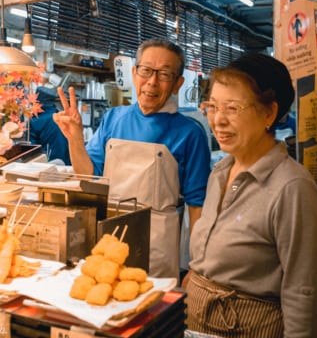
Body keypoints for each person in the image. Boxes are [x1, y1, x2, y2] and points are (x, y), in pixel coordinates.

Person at [184, 53, 317, 337]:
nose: (218, 120)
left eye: (233, 108)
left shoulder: (292, 189)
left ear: (269, 113)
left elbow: (305, 294)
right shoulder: (220, 172)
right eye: (212, 106)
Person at [53, 38, 211, 278]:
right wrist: (74, 138)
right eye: (146, 71)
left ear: (178, 83)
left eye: (164, 74)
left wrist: (196, 267)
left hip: (158, 243)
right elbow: (89, 175)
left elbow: (197, 207)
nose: (152, 82)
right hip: (108, 236)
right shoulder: (113, 118)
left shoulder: (190, 133)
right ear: (135, 73)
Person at [30, 86, 71, 165]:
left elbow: (32, 150)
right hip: (67, 163)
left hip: (50, 163)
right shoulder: (60, 116)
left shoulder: (35, 120)